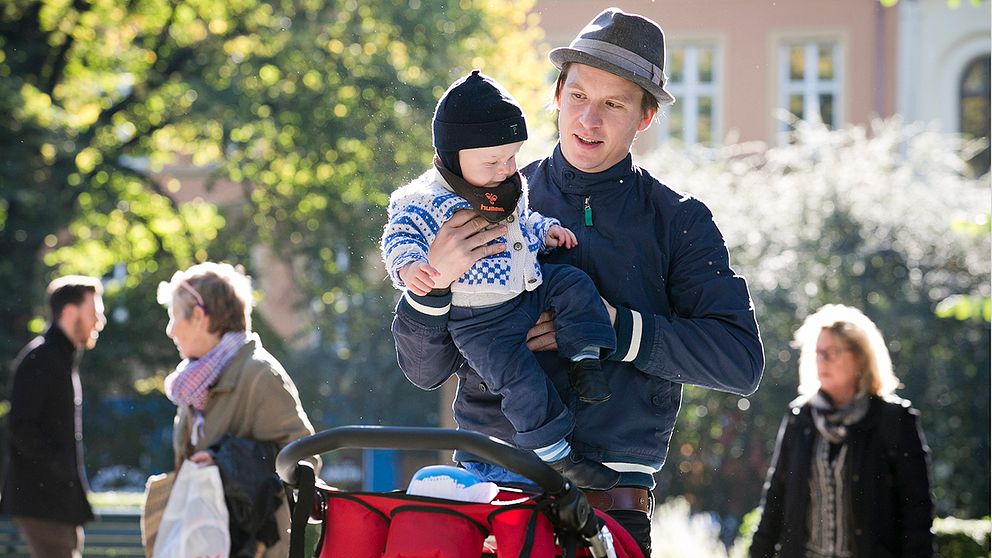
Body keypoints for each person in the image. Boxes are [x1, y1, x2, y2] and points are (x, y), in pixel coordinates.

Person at [391, 7, 764, 555]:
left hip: (610, 505)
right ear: (557, 94)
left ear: (645, 117)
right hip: (490, 497)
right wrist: (433, 286)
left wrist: (615, 328)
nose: (588, 121)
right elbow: (423, 372)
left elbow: (740, 362)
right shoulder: (479, 198)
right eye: (578, 98)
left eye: (613, 105)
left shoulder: (679, 220)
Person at [382, 70, 620, 489]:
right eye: (493, 161)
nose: (507, 169)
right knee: (520, 380)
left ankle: (586, 358)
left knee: (573, 284)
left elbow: (521, 222)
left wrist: (544, 230)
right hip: (480, 319)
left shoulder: (505, 184)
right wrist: (413, 269)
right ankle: (555, 452)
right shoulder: (423, 200)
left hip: (526, 287)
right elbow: (400, 237)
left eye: (512, 156)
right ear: (455, 156)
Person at [155, 262, 319, 557]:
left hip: (257, 547)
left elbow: (305, 463)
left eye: (174, 317)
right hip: (209, 541)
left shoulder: (259, 374)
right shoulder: (194, 382)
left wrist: (225, 465)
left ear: (200, 317)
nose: (170, 331)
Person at [749, 304, 934, 558]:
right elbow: (774, 501)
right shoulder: (799, 418)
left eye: (832, 352)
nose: (822, 360)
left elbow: (917, 512)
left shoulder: (894, 421)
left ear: (860, 358)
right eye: (818, 352)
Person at [1, 275, 106, 558]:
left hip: (58, 501)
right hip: (41, 500)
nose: (100, 321)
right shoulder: (42, 358)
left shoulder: (60, 358)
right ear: (70, 312)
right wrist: (58, 468)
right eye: (94, 312)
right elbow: (21, 427)